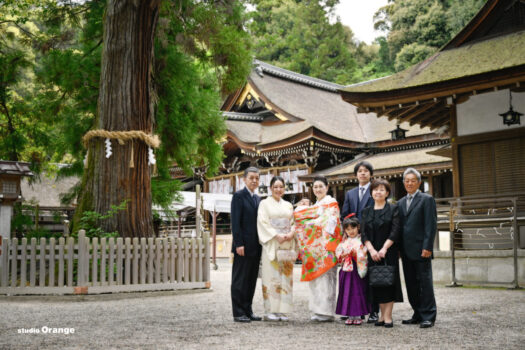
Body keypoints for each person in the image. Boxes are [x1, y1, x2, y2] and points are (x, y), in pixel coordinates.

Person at [294, 176, 342, 322]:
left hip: (326, 247)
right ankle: (317, 309)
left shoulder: (331, 203)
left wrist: (310, 221)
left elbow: (329, 221)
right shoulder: (316, 205)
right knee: (316, 280)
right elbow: (306, 218)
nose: (318, 189)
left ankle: (327, 312)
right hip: (315, 248)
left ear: (327, 187)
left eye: (321, 186)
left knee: (327, 279)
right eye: (315, 187)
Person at [398, 168, 437, 329]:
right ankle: (417, 313)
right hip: (406, 251)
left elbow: (431, 224)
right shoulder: (400, 203)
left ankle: (428, 315)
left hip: (422, 249)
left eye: (413, 180)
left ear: (419, 182)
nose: (409, 183)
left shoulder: (427, 199)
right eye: (406, 180)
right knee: (411, 283)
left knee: (425, 283)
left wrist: (427, 246)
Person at [361, 179, 403, 328]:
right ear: (371, 192)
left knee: (388, 282)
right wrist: (371, 250)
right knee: (377, 282)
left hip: (388, 251)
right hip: (372, 252)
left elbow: (396, 230)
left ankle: (388, 316)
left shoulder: (393, 209)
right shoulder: (366, 211)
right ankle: (380, 315)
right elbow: (363, 233)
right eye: (375, 189)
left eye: (381, 189)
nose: (378, 192)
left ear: (387, 193)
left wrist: (384, 249)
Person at [340, 160, 379, 323]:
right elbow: (345, 214)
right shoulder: (350, 193)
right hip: (353, 238)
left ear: (370, 174)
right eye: (360, 171)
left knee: (371, 274)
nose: (362, 173)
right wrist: (347, 232)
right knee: (354, 276)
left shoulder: (375, 191)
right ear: (356, 174)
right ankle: (355, 309)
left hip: (371, 236)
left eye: (365, 171)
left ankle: (373, 310)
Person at [257, 176, 296, 322]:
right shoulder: (264, 204)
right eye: (276, 187)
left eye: (281, 187)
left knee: (285, 277)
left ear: (284, 189)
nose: (278, 190)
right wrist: (275, 235)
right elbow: (263, 223)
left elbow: (293, 222)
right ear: (270, 188)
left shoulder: (288, 205)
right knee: (271, 276)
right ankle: (270, 310)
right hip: (272, 243)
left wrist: (291, 233)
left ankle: (282, 310)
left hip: (286, 242)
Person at [230, 167, 262, 323]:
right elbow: (235, 222)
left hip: (255, 246)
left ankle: (248, 310)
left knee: (251, 280)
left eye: (257, 178)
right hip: (242, 246)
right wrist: (239, 243)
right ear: (244, 179)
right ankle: (238, 312)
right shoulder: (238, 196)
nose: (254, 180)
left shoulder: (257, 199)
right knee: (239, 280)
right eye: (251, 178)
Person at [335, 216, 370, 325]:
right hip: (346, 269)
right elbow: (338, 252)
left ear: (358, 228)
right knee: (346, 292)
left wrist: (357, 255)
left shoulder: (361, 240)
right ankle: (349, 315)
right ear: (345, 230)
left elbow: (364, 253)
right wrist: (342, 255)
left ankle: (358, 315)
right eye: (348, 229)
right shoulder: (344, 241)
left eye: (353, 228)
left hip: (356, 268)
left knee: (357, 291)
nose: (351, 231)